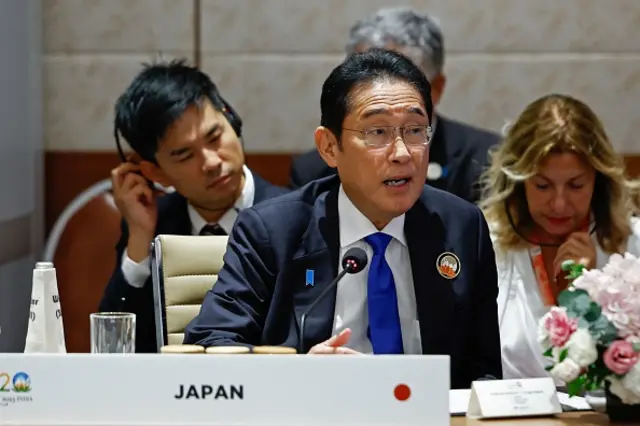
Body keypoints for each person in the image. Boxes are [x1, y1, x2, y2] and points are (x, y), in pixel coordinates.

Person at [184, 49, 502, 389]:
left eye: (415, 130)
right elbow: (209, 345)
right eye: (377, 132)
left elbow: (484, 372)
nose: (402, 153)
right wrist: (295, 375)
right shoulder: (273, 231)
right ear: (329, 147)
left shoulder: (462, 227)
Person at [98, 59, 289, 353]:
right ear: (155, 172)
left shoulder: (295, 215)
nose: (212, 162)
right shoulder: (152, 226)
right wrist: (138, 240)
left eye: (215, 137)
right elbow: (119, 347)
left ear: (232, 120)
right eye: (185, 155)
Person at [479, 93, 640, 379]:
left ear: (599, 181)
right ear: (518, 183)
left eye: (576, 185)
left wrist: (593, 289)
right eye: (543, 186)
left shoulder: (633, 245)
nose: (559, 204)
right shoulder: (484, 245)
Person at [289, 6, 499, 204]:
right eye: (368, 78)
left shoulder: (487, 161)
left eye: (402, 79)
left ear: (437, 87)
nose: (383, 90)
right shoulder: (313, 171)